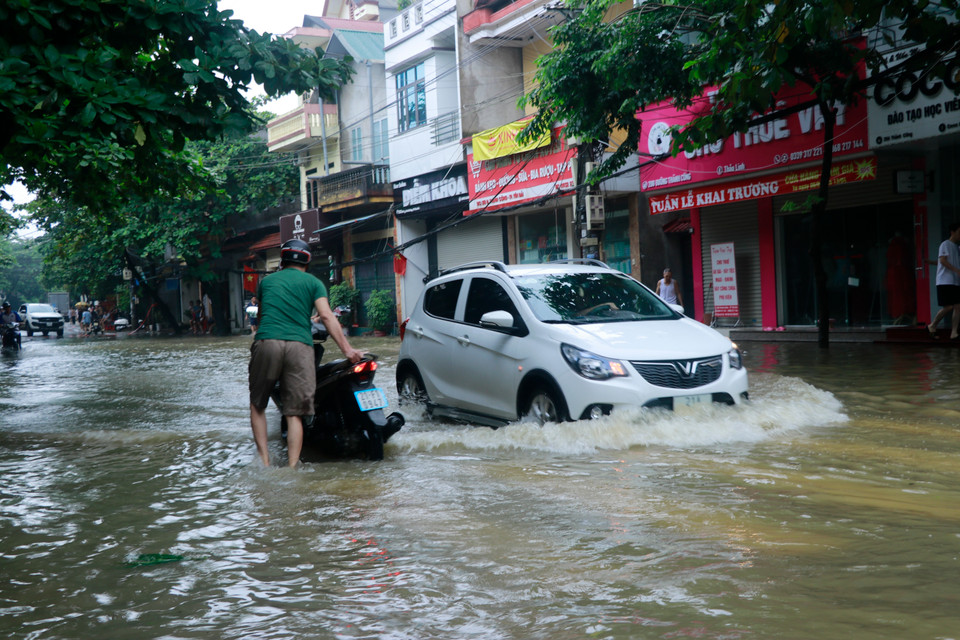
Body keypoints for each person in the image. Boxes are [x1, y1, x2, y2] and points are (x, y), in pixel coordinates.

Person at [249, 239, 363, 468]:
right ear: (307, 261)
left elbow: (261, 317)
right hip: (300, 347)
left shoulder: (267, 281)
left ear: (282, 260)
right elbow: (328, 316)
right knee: (294, 413)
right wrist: (349, 351)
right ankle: (292, 468)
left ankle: (265, 464)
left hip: (268, 341)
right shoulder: (314, 283)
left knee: (257, 405)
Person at [928, 222, 960, 340]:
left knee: (958, 306)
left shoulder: (957, 248)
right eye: (959, 232)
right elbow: (942, 261)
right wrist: (957, 270)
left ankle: (954, 332)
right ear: (953, 232)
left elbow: (944, 262)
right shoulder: (945, 244)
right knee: (948, 307)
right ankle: (932, 325)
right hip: (944, 281)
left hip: (955, 281)